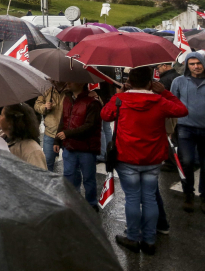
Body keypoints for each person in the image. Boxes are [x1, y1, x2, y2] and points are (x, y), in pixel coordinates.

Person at [102, 67, 188, 255]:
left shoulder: (121, 100)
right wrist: (163, 91)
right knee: (149, 198)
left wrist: (119, 94)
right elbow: (182, 110)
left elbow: (105, 115)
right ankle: (149, 240)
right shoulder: (160, 100)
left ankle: (133, 237)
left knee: (132, 198)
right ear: (150, 82)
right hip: (152, 158)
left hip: (127, 157)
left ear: (130, 82)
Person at [54, 82, 102, 211]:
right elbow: (63, 121)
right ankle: (73, 203)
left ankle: (91, 204)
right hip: (69, 146)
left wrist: (67, 134)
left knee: (88, 177)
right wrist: (57, 140)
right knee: (69, 175)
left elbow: (90, 126)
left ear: (80, 82)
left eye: (71, 80)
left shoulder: (93, 102)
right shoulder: (67, 99)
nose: (67, 83)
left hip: (86, 147)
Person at [171, 51, 205, 213]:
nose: (196, 67)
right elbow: (172, 105)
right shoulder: (178, 82)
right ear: (186, 65)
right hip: (185, 128)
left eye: (199, 63)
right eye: (192, 64)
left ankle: (204, 196)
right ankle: (188, 194)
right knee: (187, 161)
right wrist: (171, 129)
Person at [0, 104, 48, 170]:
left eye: (2, 115)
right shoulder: (0, 139)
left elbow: (39, 178)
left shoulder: (33, 151)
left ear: (10, 122)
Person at [35, 80, 68, 172]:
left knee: (70, 165)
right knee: (47, 162)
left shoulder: (71, 89)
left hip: (67, 133)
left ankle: (70, 185)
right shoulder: (46, 89)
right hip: (50, 133)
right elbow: (37, 105)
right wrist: (44, 107)